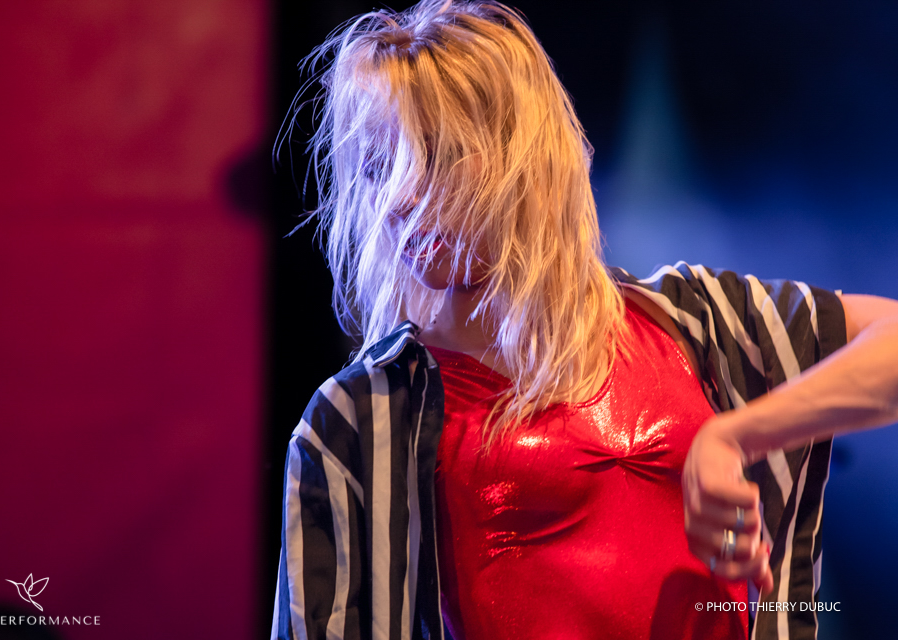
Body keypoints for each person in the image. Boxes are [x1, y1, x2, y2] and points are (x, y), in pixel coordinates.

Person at [271, 1, 898, 639]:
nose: (399, 197)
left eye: (436, 154)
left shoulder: (694, 318)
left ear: (521, 154)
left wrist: (735, 436)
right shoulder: (362, 419)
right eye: (379, 167)